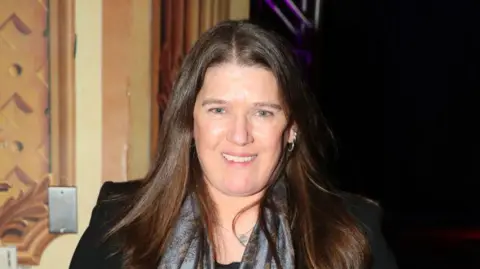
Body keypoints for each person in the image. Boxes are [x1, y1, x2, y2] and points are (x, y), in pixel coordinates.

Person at [70, 20, 397, 269]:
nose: (240, 135)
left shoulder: (352, 232)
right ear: (190, 121)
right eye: (219, 109)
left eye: (263, 112)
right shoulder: (118, 223)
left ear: (291, 128)